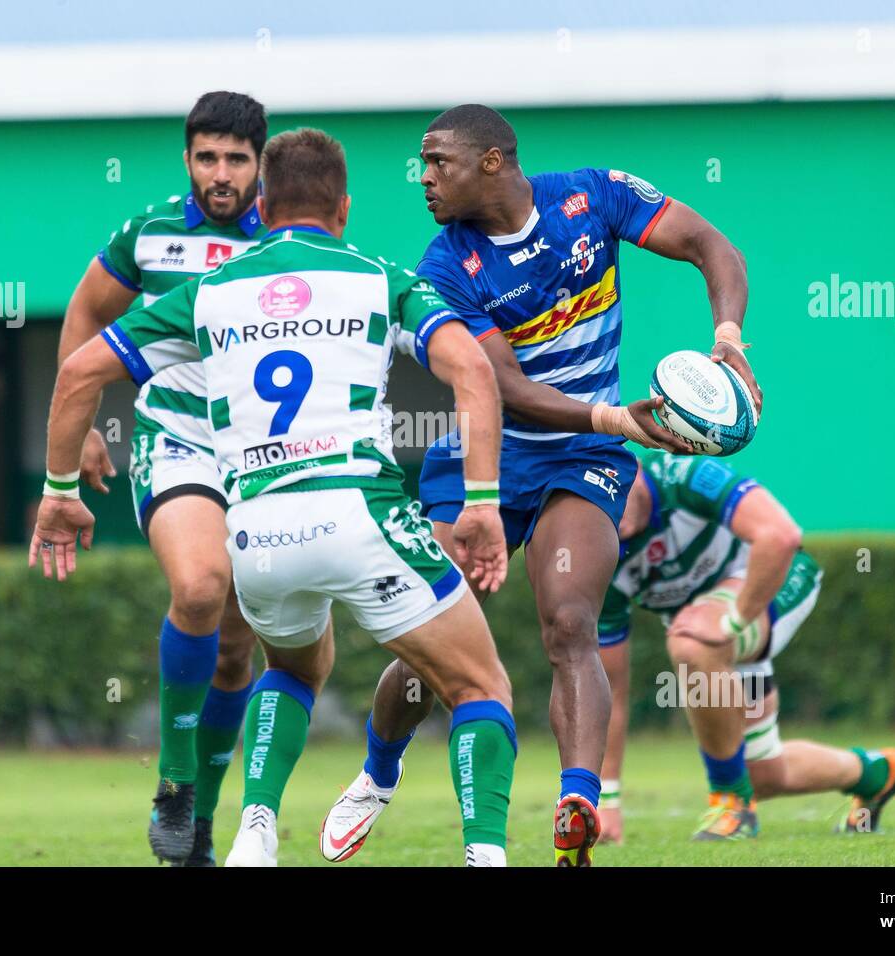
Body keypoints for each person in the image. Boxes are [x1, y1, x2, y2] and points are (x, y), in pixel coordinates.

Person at [32, 127, 519, 867]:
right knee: (478, 682)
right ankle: (488, 858)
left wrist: (61, 490)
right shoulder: (378, 278)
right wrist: (480, 503)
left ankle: (255, 829)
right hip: (361, 514)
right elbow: (473, 373)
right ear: (344, 208)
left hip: (255, 535)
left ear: (262, 200)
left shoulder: (208, 292)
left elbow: (77, 375)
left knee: (292, 668)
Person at [320, 103, 759, 866]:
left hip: (583, 457)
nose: (423, 180)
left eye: (438, 164)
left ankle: (578, 801)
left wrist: (728, 340)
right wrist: (617, 418)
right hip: (485, 458)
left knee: (570, 623)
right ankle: (377, 771)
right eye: (422, 165)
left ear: (492, 162)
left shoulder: (592, 197)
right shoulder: (443, 268)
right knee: (438, 641)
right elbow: (508, 389)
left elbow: (710, 245)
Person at [54, 91, 268, 866]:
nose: (220, 174)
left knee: (238, 649)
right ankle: (174, 784)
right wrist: (78, 434)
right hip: (175, 440)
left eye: (236, 160)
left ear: (260, 164)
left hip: (264, 455)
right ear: (187, 159)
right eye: (207, 157)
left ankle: (200, 828)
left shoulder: (287, 235)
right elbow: (83, 316)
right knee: (201, 588)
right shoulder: (148, 232)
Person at [593, 449, 895, 841]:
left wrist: (732, 621)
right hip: (713, 627)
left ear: (633, 465)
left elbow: (781, 536)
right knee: (762, 774)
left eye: (613, 488)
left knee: (691, 642)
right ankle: (879, 773)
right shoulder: (600, 551)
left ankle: (730, 803)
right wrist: (605, 799)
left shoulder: (683, 475)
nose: (607, 505)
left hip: (777, 583)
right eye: (593, 497)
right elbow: (608, 686)